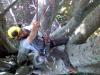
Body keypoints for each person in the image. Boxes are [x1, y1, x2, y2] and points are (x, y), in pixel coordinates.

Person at [7, 21, 77, 73]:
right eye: (19, 35)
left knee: (65, 40)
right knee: (63, 55)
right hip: (45, 50)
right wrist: (34, 28)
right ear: (17, 38)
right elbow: (31, 36)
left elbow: (35, 27)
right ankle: (69, 67)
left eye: (20, 31)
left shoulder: (25, 28)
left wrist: (36, 24)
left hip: (47, 41)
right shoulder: (24, 43)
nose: (22, 33)